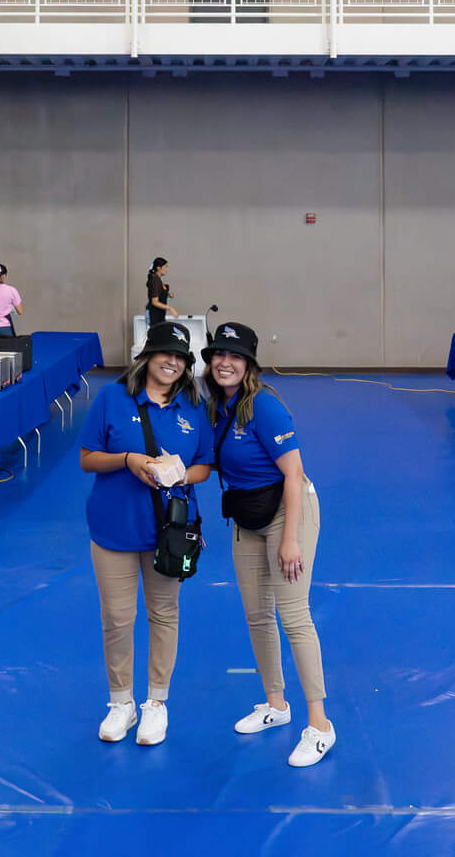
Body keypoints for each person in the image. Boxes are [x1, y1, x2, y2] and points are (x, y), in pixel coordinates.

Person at [199, 322, 335, 768]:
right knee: (257, 615)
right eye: (219, 354)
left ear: (249, 364)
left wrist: (290, 539)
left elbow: (293, 474)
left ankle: (320, 725)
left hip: (286, 511)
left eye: (235, 356)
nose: (225, 362)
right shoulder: (215, 407)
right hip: (246, 515)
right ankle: (276, 706)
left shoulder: (265, 406)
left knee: (294, 616)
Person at [79, 320, 215, 747]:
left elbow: (205, 467)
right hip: (113, 528)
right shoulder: (112, 398)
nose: (172, 362)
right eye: (164, 354)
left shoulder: (194, 407)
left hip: (168, 532)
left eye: (180, 357)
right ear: (147, 357)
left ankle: (157, 702)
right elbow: (87, 458)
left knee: (164, 614)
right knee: (117, 620)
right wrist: (128, 460)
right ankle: (121, 702)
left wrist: (174, 474)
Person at [146, 257, 172, 328]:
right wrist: (170, 308)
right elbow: (155, 302)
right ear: (158, 268)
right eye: (165, 267)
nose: (167, 269)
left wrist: (168, 294)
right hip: (153, 314)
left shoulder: (158, 280)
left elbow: (159, 292)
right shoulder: (155, 280)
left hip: (159, 314)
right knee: (154, 335)